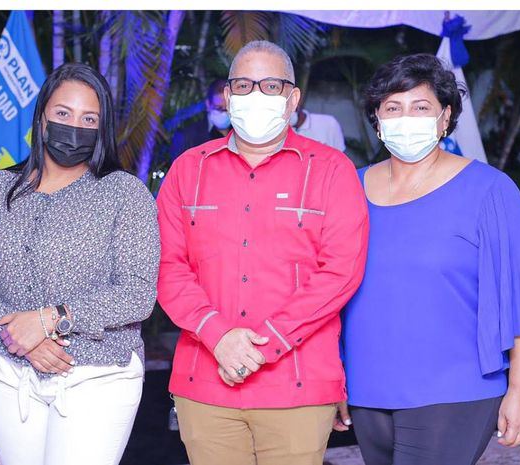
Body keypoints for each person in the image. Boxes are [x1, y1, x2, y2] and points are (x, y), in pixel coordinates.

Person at [337, 53, 520, 465]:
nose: (406, 118)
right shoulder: (350, 187)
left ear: (445, 118)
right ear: (377, 119)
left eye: (421, 107)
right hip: (366, 387)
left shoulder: (489, 190)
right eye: (393, 108)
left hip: (453, 391)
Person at [157, 40, 368, 465]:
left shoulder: (332, 170)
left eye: (271, 86)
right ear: (228, 96)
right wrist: (217, 335)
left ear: (293, 99)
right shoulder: (187, 169)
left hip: (298, 385)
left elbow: (341, 272)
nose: (255, 95)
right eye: (244, 84)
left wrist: (264, 344)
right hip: (205, 384)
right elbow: (167, 266)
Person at [0, 63, 160, 465]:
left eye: (88, 119)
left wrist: (47, 320)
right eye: (63, 113)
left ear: (101, 128)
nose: (74, 126)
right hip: (5, 373)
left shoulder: (124, 195)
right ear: (42, 115)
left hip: (96, 374)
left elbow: (136, 294)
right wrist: (15, 331)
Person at [169, 79, 231, 160]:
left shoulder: (242, 135)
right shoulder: (187, 136)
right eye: (218, 108)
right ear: (208, 105)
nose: (224, 113)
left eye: (228, 108)